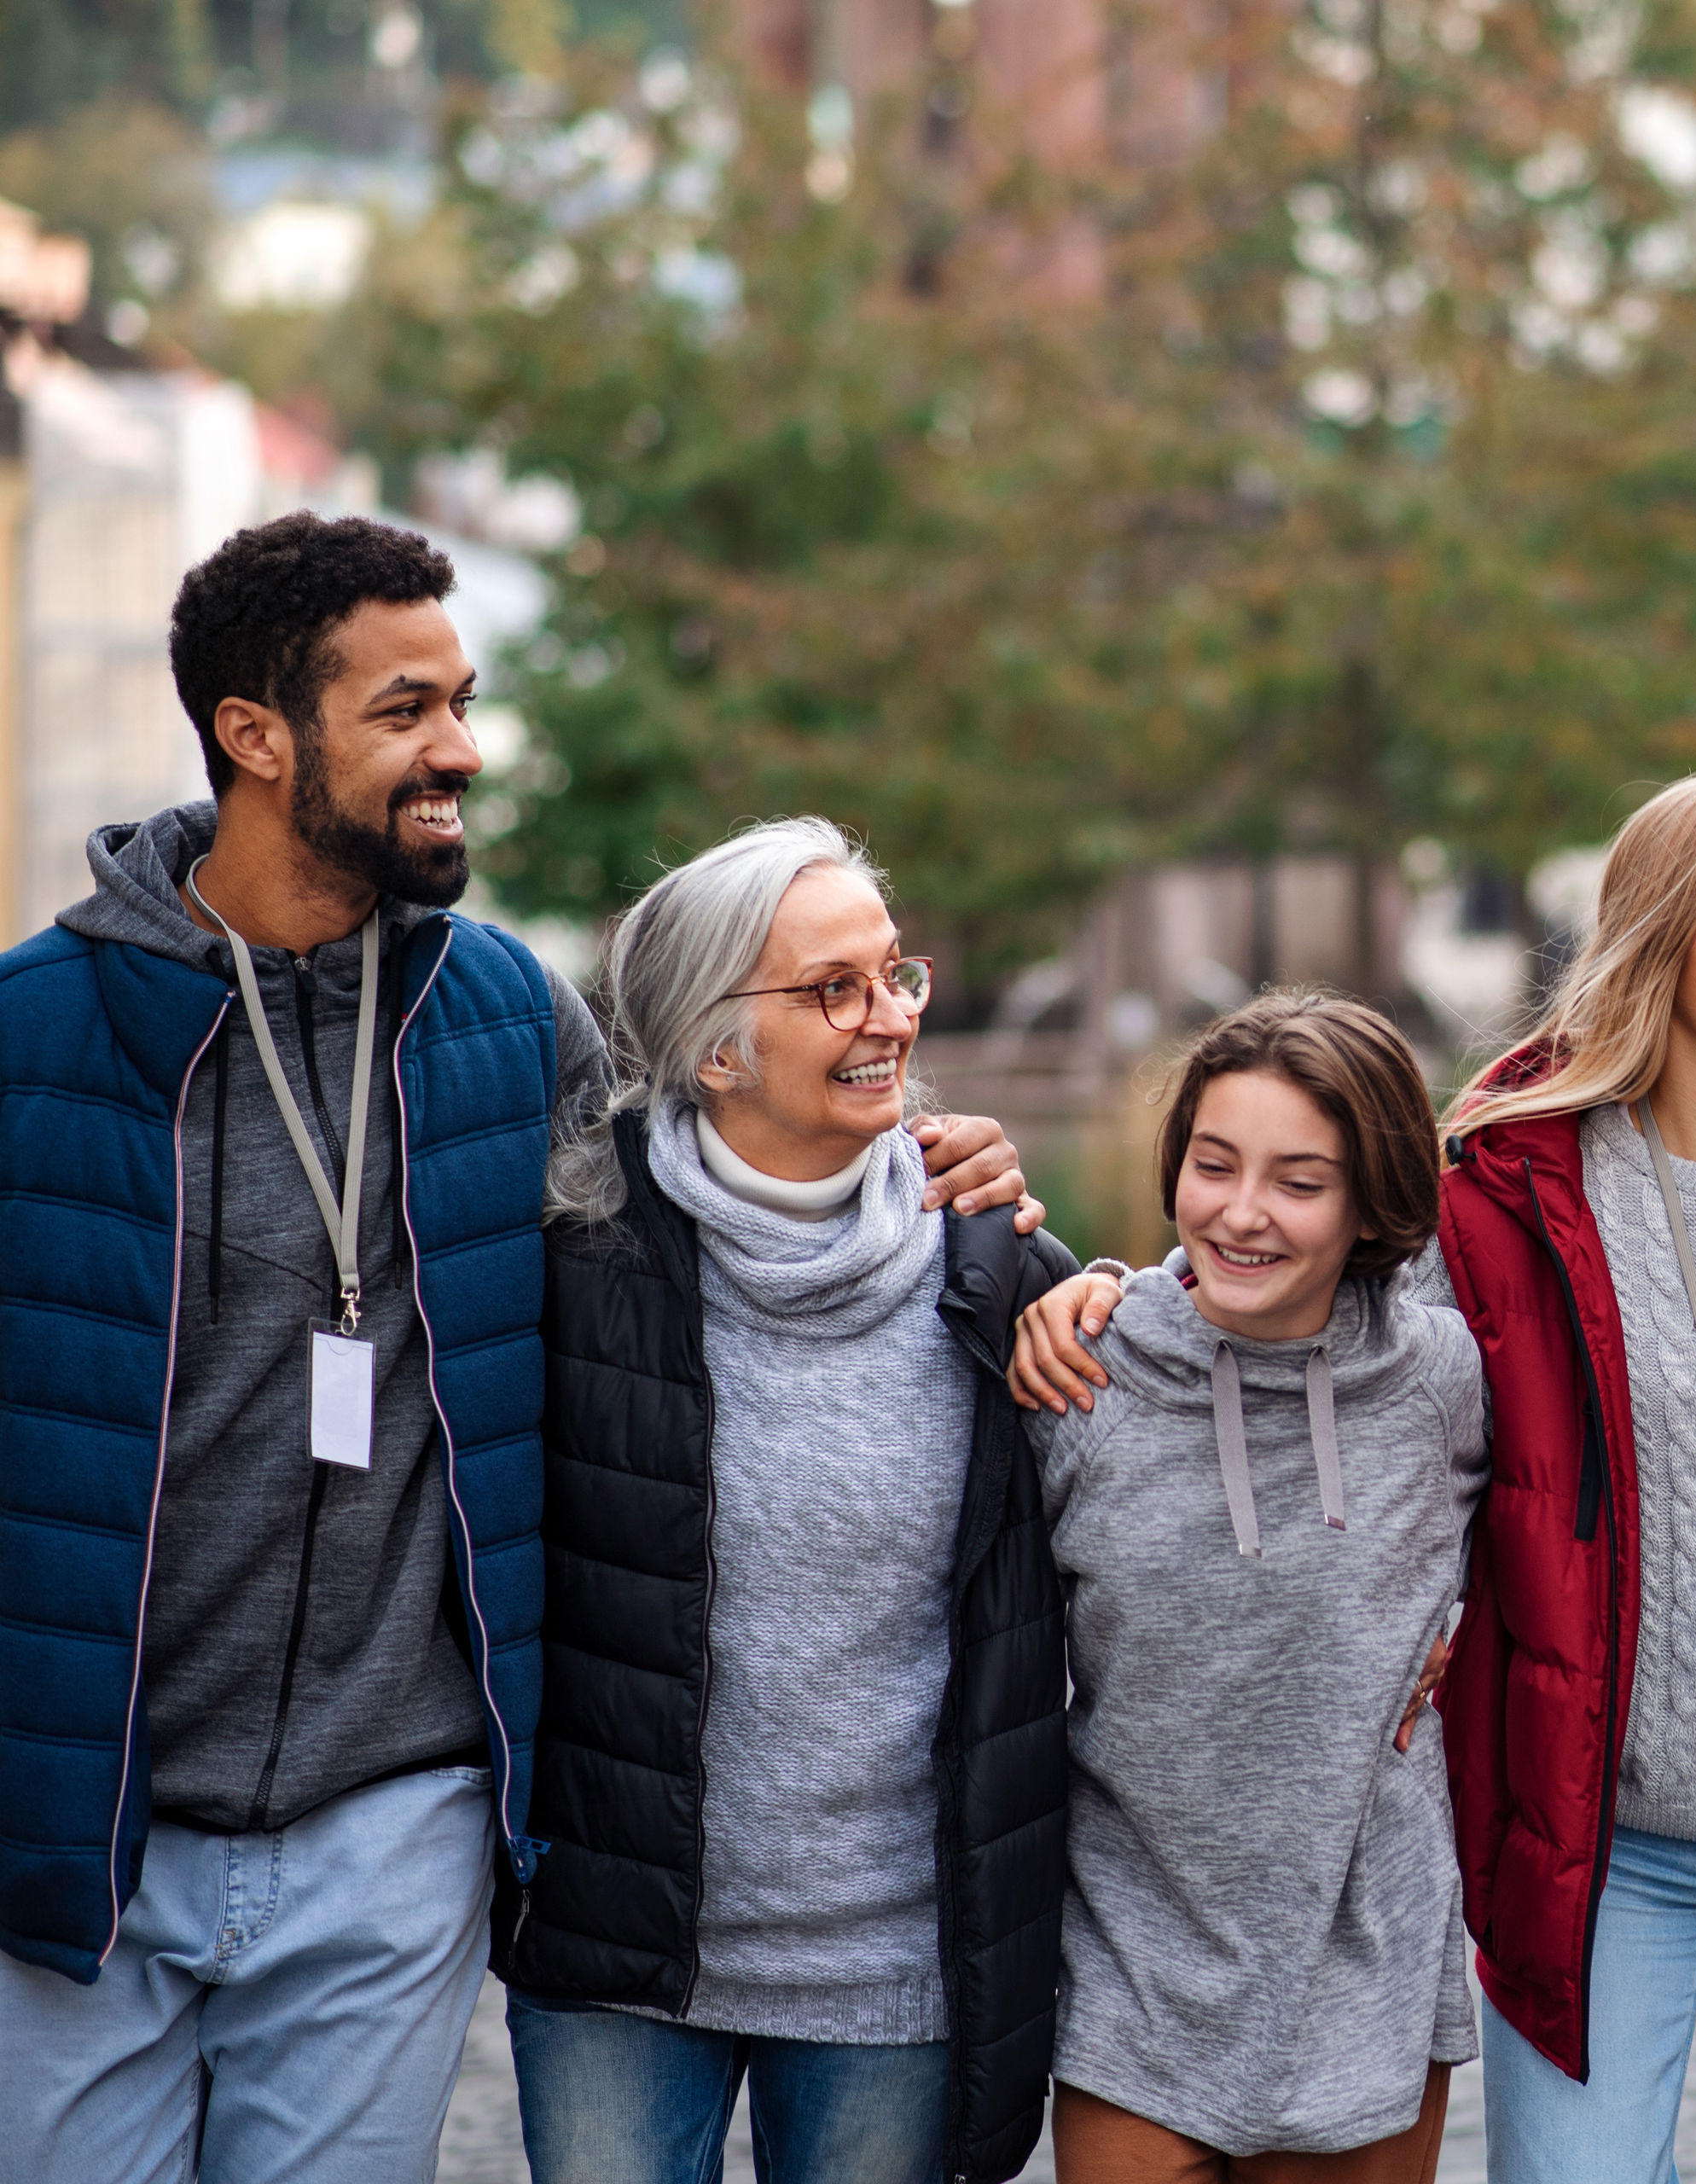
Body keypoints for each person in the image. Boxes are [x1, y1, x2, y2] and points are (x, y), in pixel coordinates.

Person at [0, 512, 1029, 2183]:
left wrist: (922, 1167)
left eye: (462, 700)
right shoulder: (29, 1035)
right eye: (406, 709)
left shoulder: (506, 1015)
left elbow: (698, 1229)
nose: (459, 749)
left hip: (390, 1825)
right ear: (260, 736)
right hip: (77, 1830)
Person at [1013, 774, 1696, 2184]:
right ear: (1656, 935)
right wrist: (1108, 1294)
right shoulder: (1504, 1185)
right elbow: (1303, 1294)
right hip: (1597, 1830)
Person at [494, 819, 1078, 2183]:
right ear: (714, 1049)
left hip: (896, 1970)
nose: (890, 1019)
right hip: (616, 1954)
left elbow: (1134, 1530)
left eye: (897, 975)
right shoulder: (572, 1265)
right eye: (835, 989)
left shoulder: (1003, 1271)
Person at [1037, 990, 1486, 2183]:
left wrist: (1457, 1632)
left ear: (1371, 1201)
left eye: (1300, 1181)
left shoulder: (1438, 1375)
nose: (1241, 1214)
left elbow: (1553, 1542)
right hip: (1138, 1964)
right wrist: (1083, 1287)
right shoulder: (1083, 1374)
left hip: (1368, 1962)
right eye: (1213, 1164)